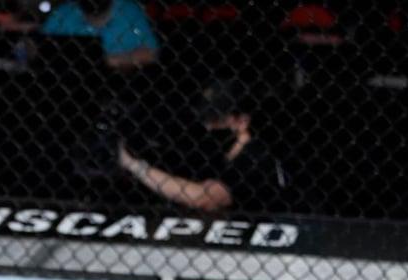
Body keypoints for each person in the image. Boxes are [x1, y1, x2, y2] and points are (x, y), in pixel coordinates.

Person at [117, 80, 288, 212]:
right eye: (206, 120)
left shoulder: (254, 156)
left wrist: (134, 165)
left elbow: (203, 199)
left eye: (217, 120)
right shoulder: (215, 151)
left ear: (242, 121)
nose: (209, 127)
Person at [39, 0, 159, 72]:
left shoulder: (128, 10)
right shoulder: (65, 12)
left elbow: (151, 53)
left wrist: (106, 62)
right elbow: (39, 44)